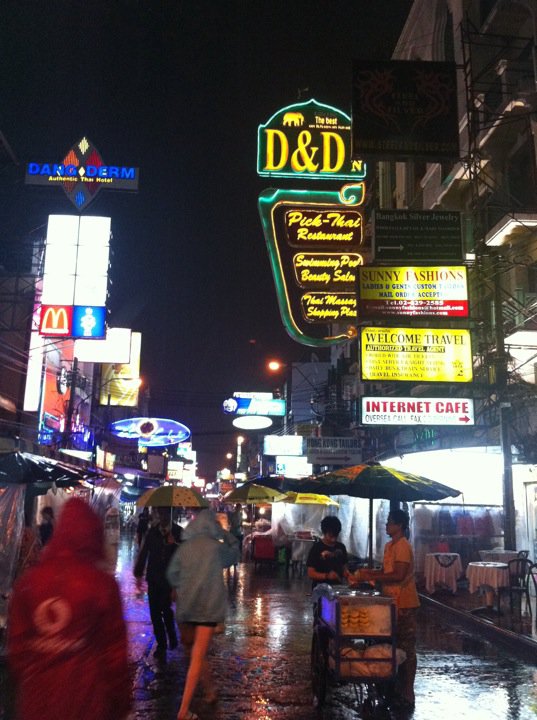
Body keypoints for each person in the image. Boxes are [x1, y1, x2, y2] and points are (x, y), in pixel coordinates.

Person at [7, 497, 131, 720]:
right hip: (87, 704)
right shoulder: (101, 585)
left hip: (37, 704)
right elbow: (115, 657)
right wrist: (120, 704)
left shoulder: (29, 582)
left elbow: (17, 652)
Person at [167, 508, 239, 720]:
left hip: (186, 607)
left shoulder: (185, 548)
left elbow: (172, 575)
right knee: (197, 656)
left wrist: (185, 585)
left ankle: (210, 692)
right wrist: (224, 533)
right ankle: (183, 710)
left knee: (194, 651)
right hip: (207, 609)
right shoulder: (215, 549)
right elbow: (234, 553)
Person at [351, 508, 420, 710]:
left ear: (399, 526)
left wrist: (373, 577)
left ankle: (408, 691)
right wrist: (368, 573)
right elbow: (386, 571)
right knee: (390, 645)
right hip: (391, 602)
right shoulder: (390, 546)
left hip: (405, 602)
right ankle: (394, 686)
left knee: (406, 648)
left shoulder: (403, 547)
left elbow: (398, 575)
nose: (387, 525)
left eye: (390, 522)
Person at [134, 506, 182, 661]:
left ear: (170, 513)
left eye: (164, 513)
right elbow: (144, 553)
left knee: (166, 610)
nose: (162, 516)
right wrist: (139, 572)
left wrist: (174, 544)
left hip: (169, 579)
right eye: (159, 513)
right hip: (153, 577)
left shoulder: (178, 532)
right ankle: (161, 644)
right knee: (155, 613)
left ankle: (172, 635)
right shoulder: (152, 532)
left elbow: (185, 555)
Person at [306, 515, 351, 587]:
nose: (333, 539)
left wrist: (347, 574)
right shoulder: (316, 548)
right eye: (330, 536)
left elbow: (344, 567)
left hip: (338, 588)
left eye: (336, 536)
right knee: (325, 599)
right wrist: (326, 576)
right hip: (320, 589)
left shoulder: (341, 547)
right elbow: (310, 573)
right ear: (324, 533)